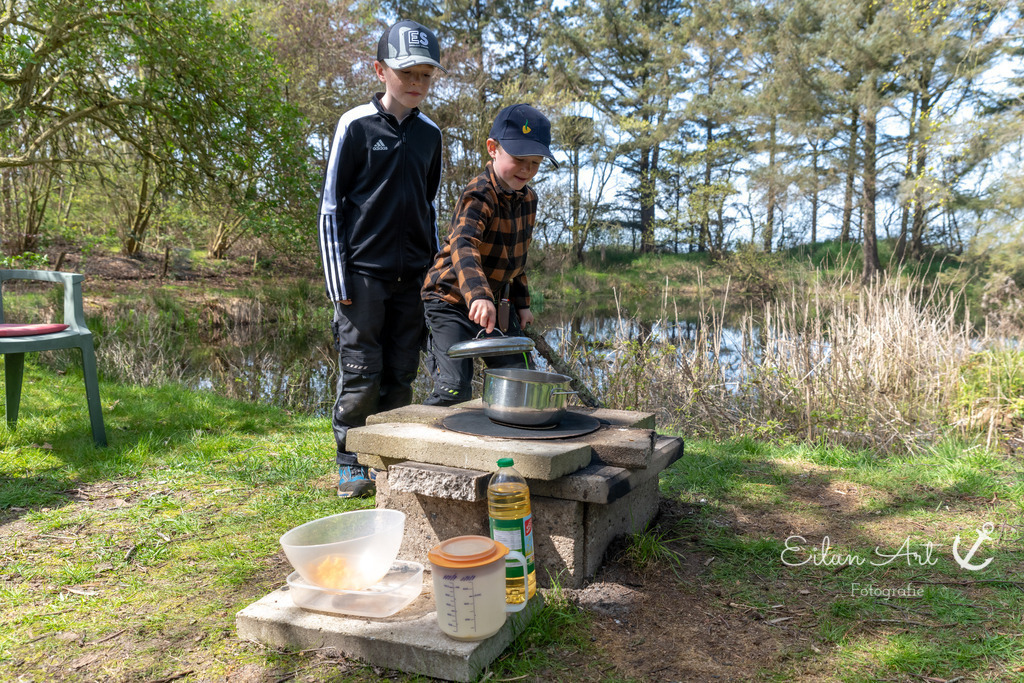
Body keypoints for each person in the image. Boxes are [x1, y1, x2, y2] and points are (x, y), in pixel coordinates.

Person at [317, 19, 446, 497]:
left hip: (412, 278)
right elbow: (331, 206)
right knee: (361, 374)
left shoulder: (431, 135)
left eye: (425, 76)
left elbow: (428, 208)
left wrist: (433, 278)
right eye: (406, 73)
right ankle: (350, 464)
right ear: (379, 70)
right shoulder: (354, 125)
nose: (416, 84)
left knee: (399, 374)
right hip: (362, 277)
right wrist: (339, 283)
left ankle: (387, 464)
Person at [421, 104, 558, 406]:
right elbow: (464, 245)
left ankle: (510, 442)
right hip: (450, 301)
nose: (526, 170)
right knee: (455, 388)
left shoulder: (529, 199)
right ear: (493, 148)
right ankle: (429, 446)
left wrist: (522, 304)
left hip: (493, 307)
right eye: (519, 160)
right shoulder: (479, 193)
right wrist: (479, 295)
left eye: (535, 163)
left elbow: (517, 260)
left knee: (521, 382)